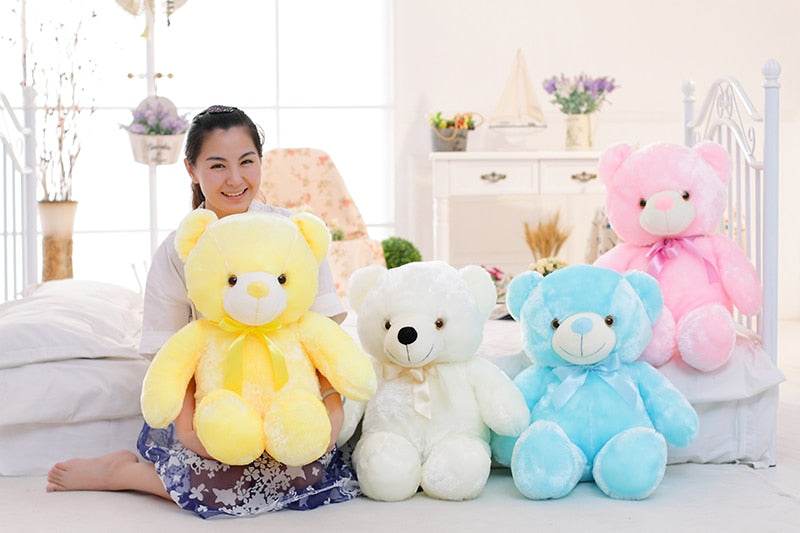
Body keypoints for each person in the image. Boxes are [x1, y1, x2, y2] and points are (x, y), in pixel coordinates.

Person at [46, 106, 359, 518]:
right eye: (217, 165)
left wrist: (331, 410)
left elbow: (321, 336)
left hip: (289, 395)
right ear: (191, 169)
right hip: (213, 400)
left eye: (246, 162)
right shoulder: (181, 249)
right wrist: (190, 430)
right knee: (218, 484)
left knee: (310, 477)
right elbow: (172, 350)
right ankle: (124, 473)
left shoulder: (293, 234)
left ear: (260, 161)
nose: (235, 179)